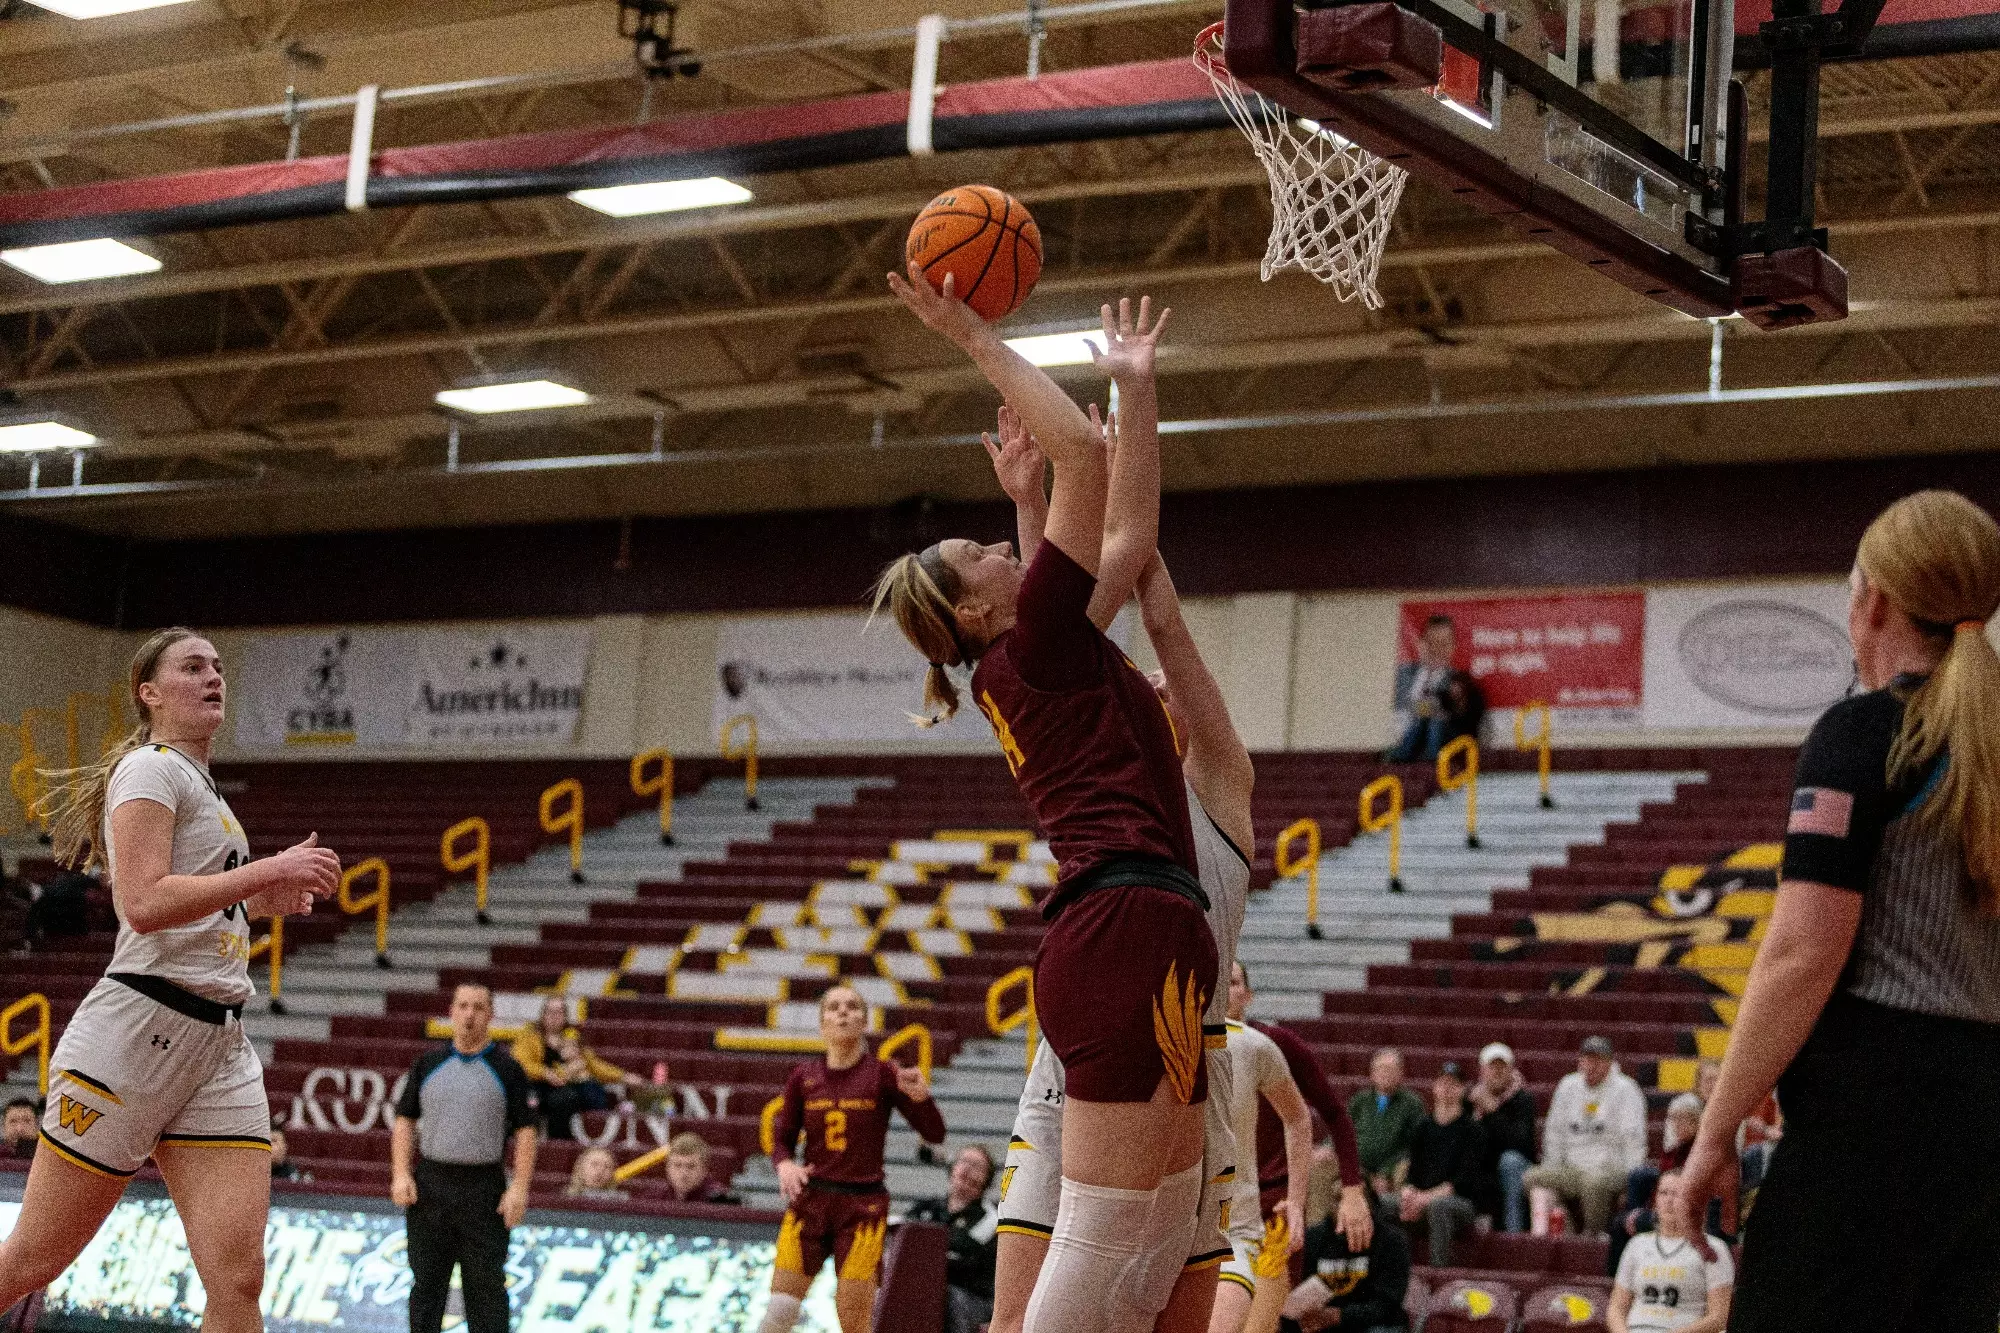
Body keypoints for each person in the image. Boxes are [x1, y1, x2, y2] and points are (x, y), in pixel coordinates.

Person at [878, 272, 1217, 1333]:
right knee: (1114, 1225)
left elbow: (1126, 538)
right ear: (976, 605)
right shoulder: (1035, 643)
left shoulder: (1036, 652)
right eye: (976, 552)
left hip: (1134, 925)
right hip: (1120, 928)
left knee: (1158, 1220)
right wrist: (973, 334)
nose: (993, 545)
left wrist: (1138, 392)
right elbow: (1085, 458)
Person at [1681, 491, 2000, 1332]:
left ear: (1876, 602)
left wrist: (1715, 1132)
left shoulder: (1865, 733)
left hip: (1870, 1125)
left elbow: (1801, 952)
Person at [0, 628, 339, 1333]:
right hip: (136, 1032)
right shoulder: (150, 768)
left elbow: (200, 897)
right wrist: (265, 871)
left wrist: (254, 901)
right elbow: (145, 903)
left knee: (238, 1277)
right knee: (34, 1258)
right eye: (192, 667)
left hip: (218, 1044)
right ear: (148, 692)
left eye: (217, 666)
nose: (213, 676)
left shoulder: (204, 787)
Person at [761, 983, 946, 1333]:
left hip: (862, 1208)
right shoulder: (803, 1076)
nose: (843, 1012)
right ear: (822, 1024)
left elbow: (935, 1134)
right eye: (833, 1007)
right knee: (779, 1311)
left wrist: (922, 1098)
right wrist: (784, 1165)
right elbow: (782, 1138)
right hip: (810, 1201)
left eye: (852, 1006)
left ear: (865, 1021)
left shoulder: (884, 1073)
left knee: (855, 1321)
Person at [391, 983, 539, 1333]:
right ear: (452, 1012)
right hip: (431, 1185)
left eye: (478, 1007)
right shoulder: (428, 1064)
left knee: (486, 1289)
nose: (470, 1014)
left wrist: (519, 1188)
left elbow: (527, 1132)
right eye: (463, 1006)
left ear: (490, 1015)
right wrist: (400, 1173)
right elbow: (405, 1119)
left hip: (483, 1188)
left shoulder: (508, 1069)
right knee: (426, 1286)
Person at [1211, 965, 1317, 1333]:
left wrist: (1298, 1201)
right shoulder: (1165, 1039)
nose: (1225, 990)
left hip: (1252, 1217)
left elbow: (1311, 1116)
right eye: (1219, 981)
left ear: (1248, 995)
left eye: (1235, 982)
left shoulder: (1263, 1044)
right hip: (1173, 1223)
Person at [1522, 1036, 1647, 1236]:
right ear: (1580, 1061)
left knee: (1594, 1182)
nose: (1591, 1066)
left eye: (1597, 1061)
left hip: (1610, 1167)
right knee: (1533, 1177)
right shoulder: (1568, 1085)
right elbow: (1554, 1134)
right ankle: (1567, 1231)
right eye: (1587, 1060)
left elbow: (1634, 1140)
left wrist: (1631, 1182)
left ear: (1609, 1062)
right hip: (1572, 1168)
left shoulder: (1626, 1089)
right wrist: (1553, 1166)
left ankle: (1593, 1235)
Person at [1607, 1172, 1733, 1333]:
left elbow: (1718, 1318)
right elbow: (1616, 1308)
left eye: (1677, 1194)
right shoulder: (1636, 1244)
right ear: (1655, 1201)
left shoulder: (1713, 1248)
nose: (1669, 1200)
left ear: (1693, 1200)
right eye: (1663, 1193)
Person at [1278, 1189, 1410, 1333]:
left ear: (1368, 1205)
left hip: (1373, 1325)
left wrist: (1339, 1316)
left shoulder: (1391, 1241)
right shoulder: (1312, 1238)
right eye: (1337, 1198)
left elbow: (1387, 1306)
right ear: (1329, 1204)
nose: (1344, 1206)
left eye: (1353, 1200)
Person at [908, 1145, 1001, 1333]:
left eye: (976, 1166)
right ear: (953, 1168)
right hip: (927, 1288)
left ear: (987, 1180)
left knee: (945, 1296)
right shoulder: (926, 1208)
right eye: (963, 1161)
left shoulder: (990, 1217)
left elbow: (964, 1257)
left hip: (972, 1298)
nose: (967, 1169)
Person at [1398, 1063, 1483, 1268]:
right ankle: (1391, 1269)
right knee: (1382, 1204)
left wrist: (1424, 1199)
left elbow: (1463, 1183)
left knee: (1439, 1207)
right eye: (1443, 1083)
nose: (1447, 1089)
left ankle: (1439, 1272)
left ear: (1462, 1090)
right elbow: (1412, 1172)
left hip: (1460, 1204)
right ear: (1434, 1087)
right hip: (1423, 1197)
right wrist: (1408, 1192)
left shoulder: (1473, 1130)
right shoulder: (1423, 1126)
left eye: (1453, 1084)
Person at [514, 995, 631, 1140]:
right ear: (543, 1015)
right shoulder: (529, 1037)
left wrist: (623, 1076)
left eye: (559, 1012)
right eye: (550, 1012)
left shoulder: (573, 1038)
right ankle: (554, 1143)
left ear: (565, 1016)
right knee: (559, 1098)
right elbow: (520, 1064)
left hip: (566, 1086)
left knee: (587, 1088)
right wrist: (546, 1073)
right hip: (538, 1086)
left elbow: (593, 1064)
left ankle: (580, 1139)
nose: (554, 1016)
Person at [1387, 616, 1486, 764]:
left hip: (1450, 742)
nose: (1436, 649)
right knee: (1425, 720)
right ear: (1420, 644)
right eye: (1431, 642)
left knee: (1434, 721)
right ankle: (1397, 759)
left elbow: (1467, 720)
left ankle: (1431, 763)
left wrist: (1440, 712)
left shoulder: (1460, 683)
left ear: (1453, 647)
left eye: (1443, 643)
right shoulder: (1403, 674)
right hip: (1410, 737)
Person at [1466, 1042, 1535, 1231]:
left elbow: (1521, 1143)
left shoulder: (1523, 1100)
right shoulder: (1470, 1100)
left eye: (1502, 1067)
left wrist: (1493, 1112)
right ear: (1482, 1071)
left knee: (1509, 1161)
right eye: (1492, 1067)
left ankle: (1513, 1232)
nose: (1496, 1072)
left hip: (1514, 1166)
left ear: (1511, 1070)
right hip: (1483, 1167)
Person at [1348, 1050, 1425, 1193]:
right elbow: (1343, 1130)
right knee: (1322, 1163)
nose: (1385, 1073)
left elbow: (1414, 1146)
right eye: (1380, 1069)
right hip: (1359, 1167)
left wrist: (1386, 1171)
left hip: (1393, 1168)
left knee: (1405, 1168)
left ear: (1401, 1073)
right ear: (1372, 1073)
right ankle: (1317, 1216)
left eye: (1390, 1069)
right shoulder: (1360, 1101)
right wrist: (1327, 1146)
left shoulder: (1412, 1104)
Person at [663, 1131, 740, 1204]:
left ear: (704, 1170)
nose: (684, 1173)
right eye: (677, 1165)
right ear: (667, 1168)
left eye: (691, 1166)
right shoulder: (660, 1197)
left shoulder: (721, 1201)